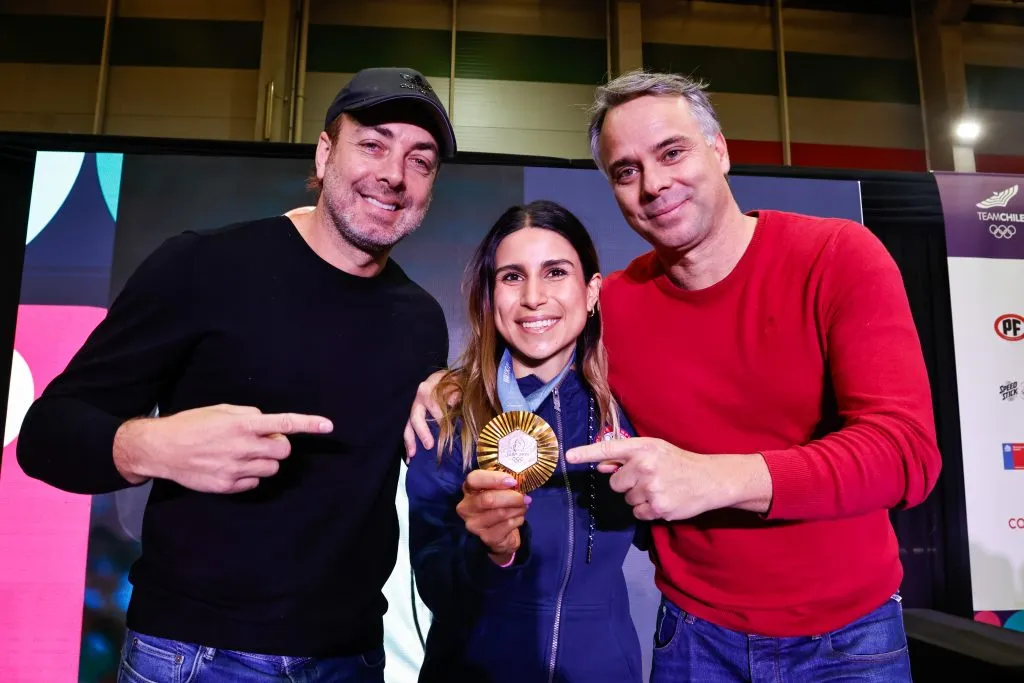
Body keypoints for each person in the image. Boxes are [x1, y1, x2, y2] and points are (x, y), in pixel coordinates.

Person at [404, 70, 941, 682]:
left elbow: (907, 454)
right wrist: (452, 384)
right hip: (692, 639)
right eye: (626, 171)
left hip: (846, 639)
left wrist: (715, 478)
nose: (654, 184)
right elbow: (529, 355)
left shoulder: (838, 257)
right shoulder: (620, 310)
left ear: (720, 150)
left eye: (672, 152)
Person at [17, 66, 456, 683]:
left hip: (351, 659)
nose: (394, 175)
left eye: (421, 160)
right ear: (326, 150)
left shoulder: (420, 320)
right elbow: (46, 435)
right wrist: (152, 444)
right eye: (374, 144)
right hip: (195, 655)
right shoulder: (203, 265)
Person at [405, 200, 645, 683]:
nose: (534, 297)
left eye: (555, 272)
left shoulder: (629, 410)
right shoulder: (448, 414)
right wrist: (490, 551)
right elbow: (434, 584)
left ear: (592, 290)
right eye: (512, 277)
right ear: (490, 295)